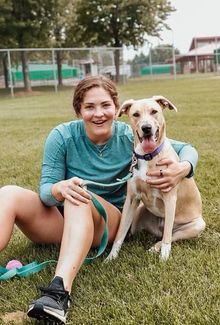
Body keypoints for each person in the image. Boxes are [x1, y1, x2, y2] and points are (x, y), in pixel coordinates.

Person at [0, 75, 199, 324]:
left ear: (117, 110)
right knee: (8, 193)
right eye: (89, 107)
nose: (99, 114)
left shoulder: (131, 135)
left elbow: (187, 148)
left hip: (107, 223)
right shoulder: (61, 135)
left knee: (81, 194)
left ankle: (58, 294)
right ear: (78, 111)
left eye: (105, 105)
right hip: (66, 220)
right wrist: (59, 188)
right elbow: (45, 192)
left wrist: (183, 167)